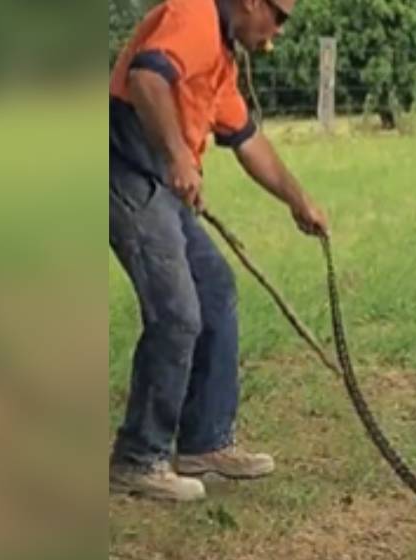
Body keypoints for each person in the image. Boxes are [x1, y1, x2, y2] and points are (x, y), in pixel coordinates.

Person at [109, 0, 328, 501]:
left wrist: (300, 202)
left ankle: (204, 441)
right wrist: (178, 154)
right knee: (178, 313)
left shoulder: (222, 59)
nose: (275, 34)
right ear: (254, 2)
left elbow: (248, 141)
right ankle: (139, 457)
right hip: (125, 170)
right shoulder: (193, 15)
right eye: (279, 18)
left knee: (215, 292)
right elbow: (146, 80)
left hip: (162, 181)